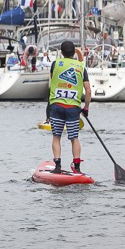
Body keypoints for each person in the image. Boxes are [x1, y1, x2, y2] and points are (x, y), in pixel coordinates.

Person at [47, 40, 91, 175]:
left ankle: (58, 166)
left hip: (56, 106)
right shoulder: (81, 67)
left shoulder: (55, 64)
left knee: (56, 137)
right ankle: (77, 167)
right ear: (74, 53)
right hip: (73, 108)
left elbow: (51, 83)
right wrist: (86, 109)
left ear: (61, 52)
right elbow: (88, 91)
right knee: (74, 138)